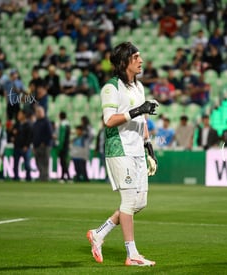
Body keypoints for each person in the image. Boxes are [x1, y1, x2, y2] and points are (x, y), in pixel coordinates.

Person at [86, 42, 159, 266]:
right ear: (124, 61)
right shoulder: (110, 87)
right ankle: (132, 254)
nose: (141, 60)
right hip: (119, 150)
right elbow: (109, 121)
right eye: (136, 57)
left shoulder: (138, 87)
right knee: (128, 201)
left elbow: (142, 121)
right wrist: (138, 109)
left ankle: (99, 233)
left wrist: (150, 150)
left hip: (137, 150)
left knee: (140, 202)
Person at [32, 106, 53, 182]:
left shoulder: (47, 122)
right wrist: (34, 146)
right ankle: (41, 175)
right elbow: (34, 135)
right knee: (38, 162)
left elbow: (50, 134)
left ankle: (45, 177)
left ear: (43, 113)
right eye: (37, 112)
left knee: (45, 162)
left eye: (40, 112)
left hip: (45, 146)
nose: (38, 113)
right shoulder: (36, 123)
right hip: (37, 146)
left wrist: (44, 142)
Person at [12, 109, 33, 182]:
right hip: (17, 146)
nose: (18, 116)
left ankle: (28, 177)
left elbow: (30, 137)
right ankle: (16, 177)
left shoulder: (28, 125)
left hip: (25, 147)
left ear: (24, 115)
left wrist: (27, 145)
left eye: (20, 114)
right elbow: (12, 133)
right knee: (15, 164)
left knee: (27, 164)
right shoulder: (17, 124)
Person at [56, 111, 71, 183]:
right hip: (66, 146)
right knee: (63, 162)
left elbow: (62, 137)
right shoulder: (67, 124)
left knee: (63, 162)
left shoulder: (62, 125)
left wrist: (60, 147)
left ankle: (67, 177)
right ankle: (65, 177)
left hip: (63, 146)